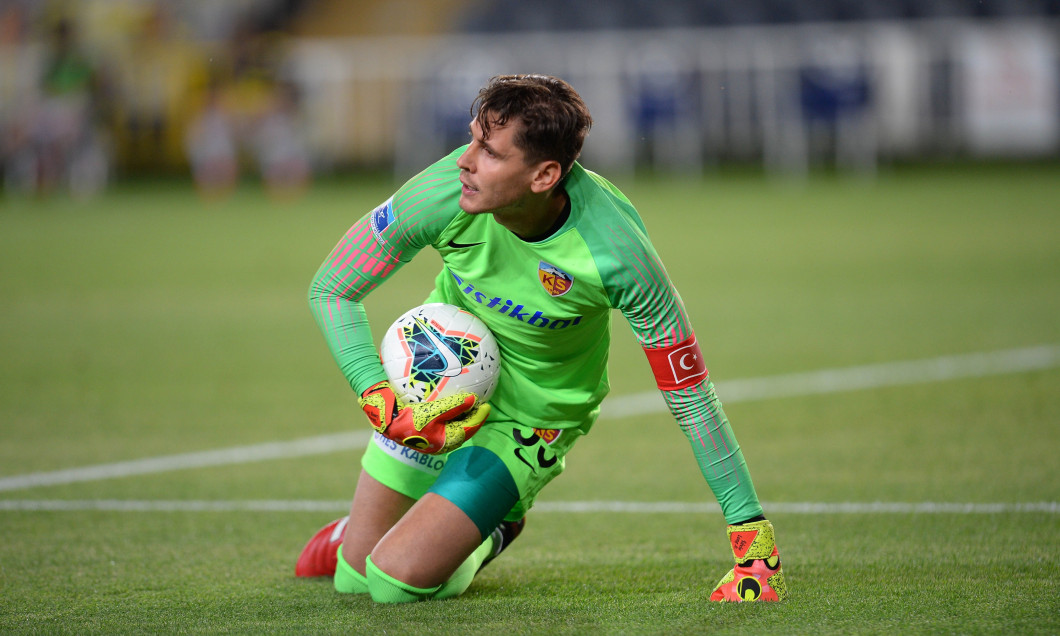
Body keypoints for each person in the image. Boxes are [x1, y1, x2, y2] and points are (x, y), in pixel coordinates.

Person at [299, 74, 787, 604]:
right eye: (471, 140)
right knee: (353, 580)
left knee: (393, 583)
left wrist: (752, 544)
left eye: (488, 152)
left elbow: (690, 392)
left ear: (544, 175)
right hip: (433, 389)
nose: (463, 160)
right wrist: (381, 396)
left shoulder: (617, 254)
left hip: (533, 421)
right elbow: (332, 289)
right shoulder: (444, 192)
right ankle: (357, 537)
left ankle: (493, 528)